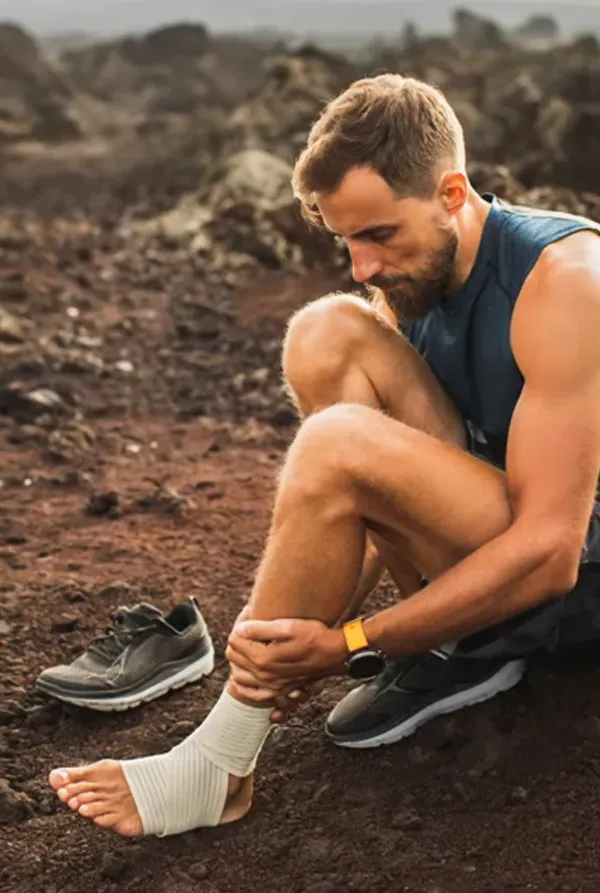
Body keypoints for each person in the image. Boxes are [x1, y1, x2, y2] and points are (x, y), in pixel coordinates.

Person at [48, 73, 600, 837]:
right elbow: (371, 495)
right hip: (489, 527)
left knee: (338, 441)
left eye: (379, 235)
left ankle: (221, 762)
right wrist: (280, 638)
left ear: (450, 193)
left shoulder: (566, 282)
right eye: (346, 240)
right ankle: (451, 651)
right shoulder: (416, 277)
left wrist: (349, 643)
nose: (362, 266)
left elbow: (553, 552)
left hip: (573, 576)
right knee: (326, 329)